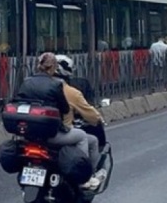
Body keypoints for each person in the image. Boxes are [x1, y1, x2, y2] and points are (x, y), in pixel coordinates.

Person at [15, 52, 105, 191]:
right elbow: (64, 109)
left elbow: (17, 102)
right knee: (84, 137)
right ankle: (83, 178)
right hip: (53, 134)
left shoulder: (27, 82)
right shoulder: (61, 88)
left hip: (31, 134)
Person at [54, 55, 107, 148]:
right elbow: (91, 115)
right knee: (88, 139)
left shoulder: (35, 88)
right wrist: (98, 119)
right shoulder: (70, 92)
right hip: (59, 132)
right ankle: (82, 162)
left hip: (36, 133)